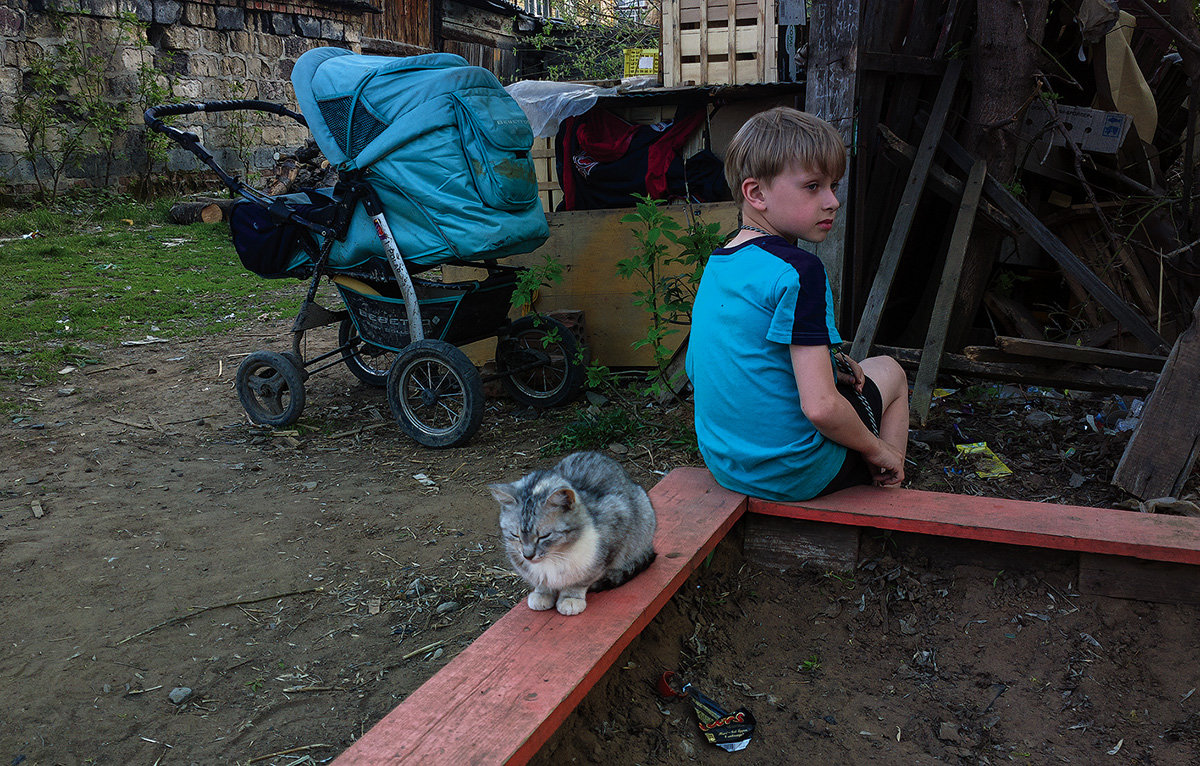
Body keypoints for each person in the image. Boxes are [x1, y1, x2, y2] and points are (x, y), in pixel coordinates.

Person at [685, 106, 909, 502]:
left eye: (833, 186)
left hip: (727, 466)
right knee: (890, 370)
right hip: (797, 474)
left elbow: (703, 367)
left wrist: (830, 363)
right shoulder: (799, 271)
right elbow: (821, 408)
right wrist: (876, 449)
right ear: (756, 193)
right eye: (813, 187)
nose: (832, 201)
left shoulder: (721, 262)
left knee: (858, 372)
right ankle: (889, 479)